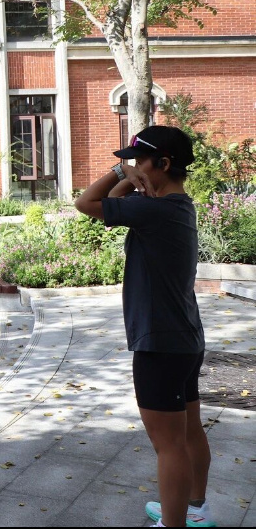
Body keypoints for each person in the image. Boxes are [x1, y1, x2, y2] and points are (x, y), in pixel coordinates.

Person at [74, 126, 211, 529]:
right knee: (188, 432)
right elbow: (113, 208)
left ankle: (173, 523)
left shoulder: (154, 212)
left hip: (160, 343)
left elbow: (86, 203)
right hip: (184, 338)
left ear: (163, 163)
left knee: (168, 445)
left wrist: (119, 174)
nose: (133, 167)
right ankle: (194, 509)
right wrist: (133, 176)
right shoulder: (175, 206)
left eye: (139, 161)